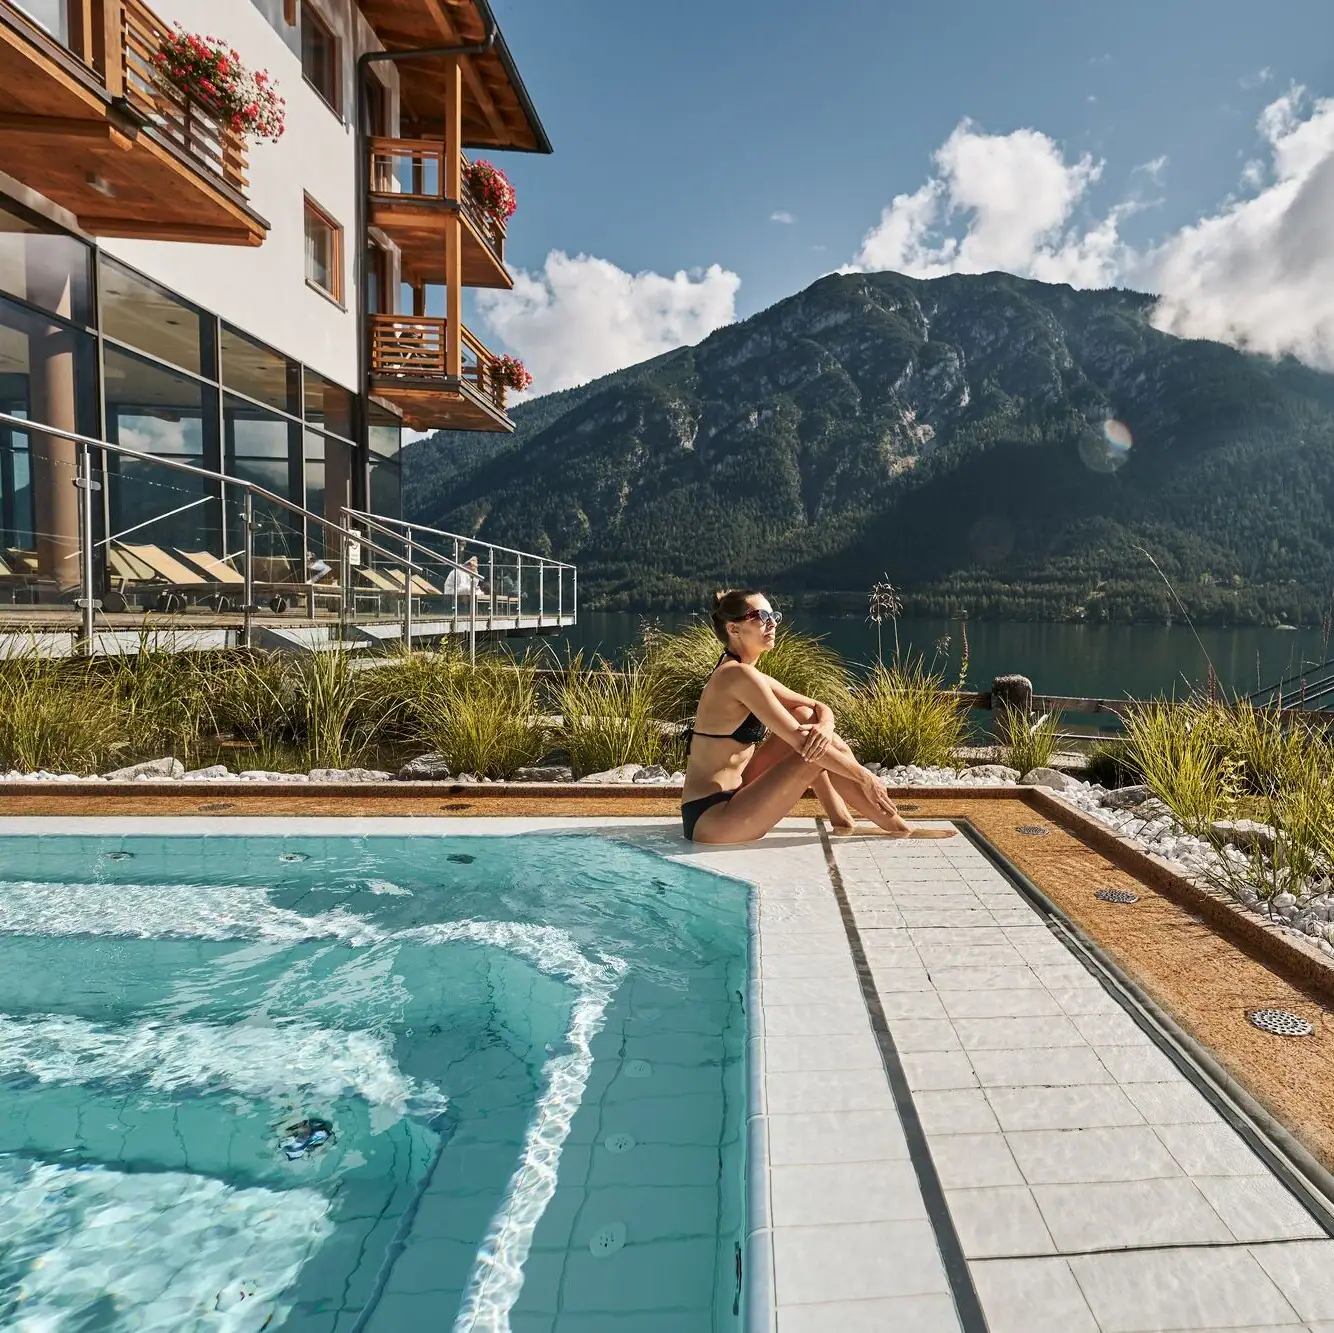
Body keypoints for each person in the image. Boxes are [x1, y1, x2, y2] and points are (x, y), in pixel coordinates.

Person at [679, 589, 957, 844]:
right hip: (713, 817)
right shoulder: (736, 676)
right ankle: (899, 828)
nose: (772, 622)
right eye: (761, 616)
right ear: (733, 628)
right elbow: (801, 742)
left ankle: (843, 820)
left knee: (808, 719)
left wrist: (826, 724)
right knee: (814, 748)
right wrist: (865, 777)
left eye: (773, 615)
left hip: (736, 794)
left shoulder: (742, 670)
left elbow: (815, 706)